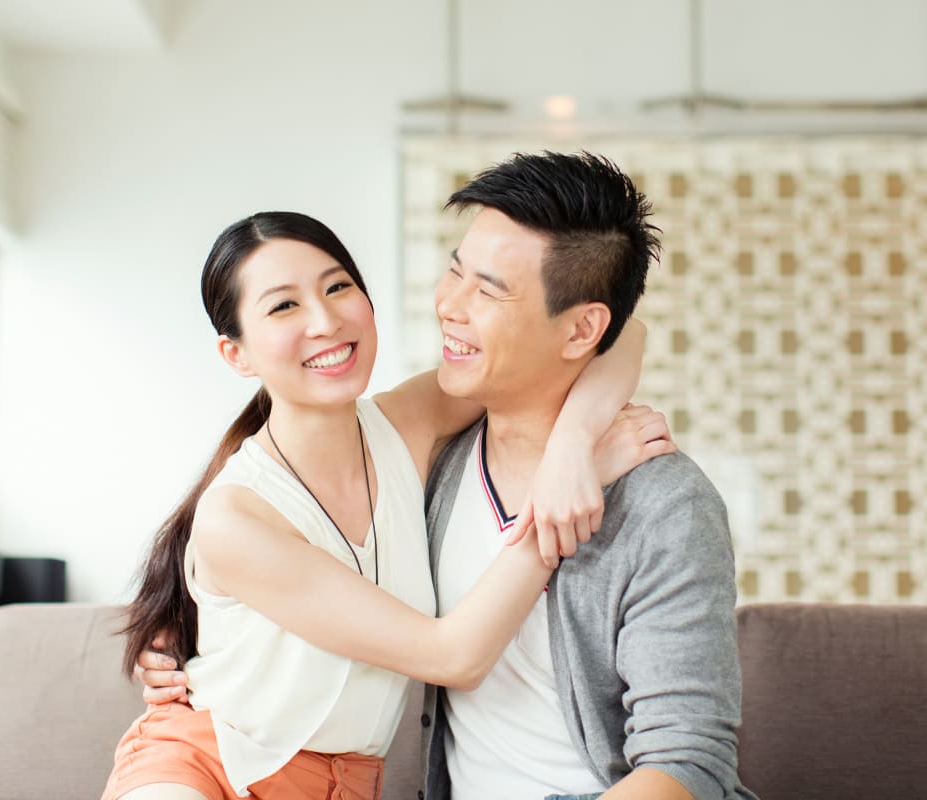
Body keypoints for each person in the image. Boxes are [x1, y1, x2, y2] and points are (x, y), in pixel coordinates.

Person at [143, 151, 757, 799]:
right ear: (234, 352)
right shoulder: (432, 454)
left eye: (488, 289)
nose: (449, 307)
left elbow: (690, 764)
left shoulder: (659, 503)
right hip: (211, 768)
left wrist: (572, 448)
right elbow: (449, 655)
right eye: (454, 273)